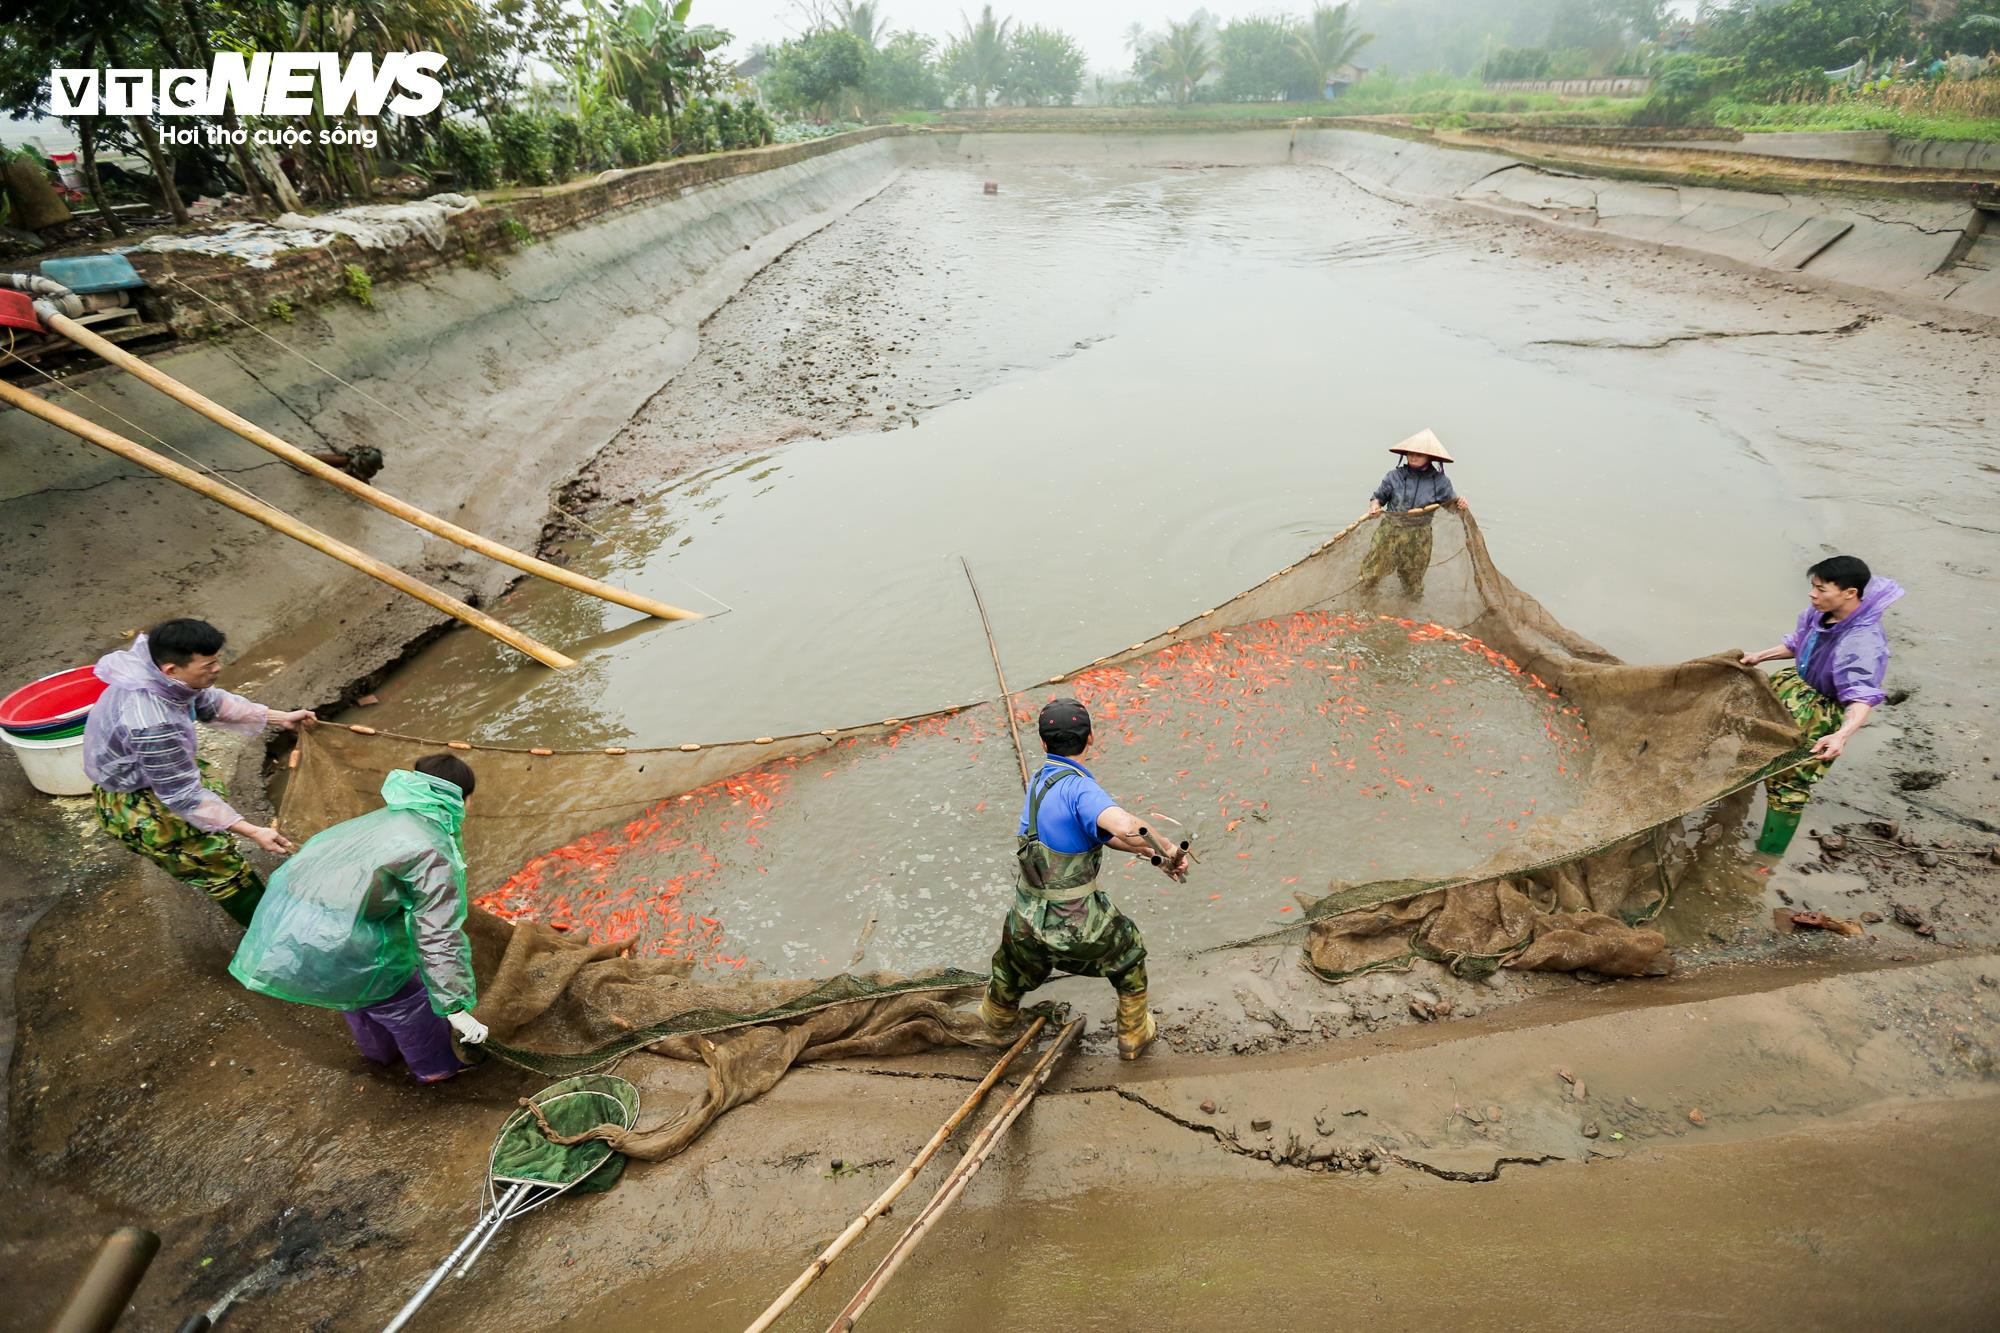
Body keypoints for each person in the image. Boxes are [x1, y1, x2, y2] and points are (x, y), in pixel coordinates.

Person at [230, 754, 488, 1082]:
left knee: (356, 995)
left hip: (287, 931)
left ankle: (381, 1055)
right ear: (462, 799)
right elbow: (438, 936)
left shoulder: (379, 820)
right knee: (409, 1002)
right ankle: (436, 1069)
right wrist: (454, 1007)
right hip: (343, 943)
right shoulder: (433, 849)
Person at [978, 699, 1188, 1061]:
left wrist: (1152, 857)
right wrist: (1168, 848)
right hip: (1076, 928)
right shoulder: (1081, 790)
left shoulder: (1039, 783)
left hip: (1026, 924)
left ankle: (994, 1024)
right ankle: (1133, 1035)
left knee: (1010, 967)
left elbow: (1102, 835)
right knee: (1129, 952)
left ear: (1043, 743)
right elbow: (1124, 826)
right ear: (1091, 737)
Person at [84, 619, 316, 927]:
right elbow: (183, 795)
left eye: (217, 660)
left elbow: (209, 701)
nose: (217, 669)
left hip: (160, 775)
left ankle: (273, 917)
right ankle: (274, 931)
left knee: (217, 841)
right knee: (220, 867)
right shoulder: (154, 725)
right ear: (171, 669)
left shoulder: (164, 677)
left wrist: (280, 718)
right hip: (143, 801)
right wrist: (254, 831)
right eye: (208, 665)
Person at [1740, 555, 1904, 854]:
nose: (1812, 594)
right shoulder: (1819, 614)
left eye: (1821, 589)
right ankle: (1739, 796)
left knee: (1790, 781)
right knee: (1756, 746)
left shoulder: (1862, 641)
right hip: (1793, 688)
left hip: (1820, 713)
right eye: (1813, 586)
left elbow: (1860, 696)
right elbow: (1798, 643)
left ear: (1849, 593)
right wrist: (1759, 656)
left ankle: (1768, 856)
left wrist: (1841, 735)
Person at [1359, 428, 1469, 598]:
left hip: (1419, 535)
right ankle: (1366, 601)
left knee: (1412, 581)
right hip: (1390, 530)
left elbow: (1451, 506)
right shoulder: (1394, 476)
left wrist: (1460, 502)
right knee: (1372, 573)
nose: (1413, 457)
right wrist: (1374, 506)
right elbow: (1378, 498)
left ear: (1429, 457)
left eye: (1419, 454)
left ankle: (1410, 607)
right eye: (1410, 453)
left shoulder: (1440, 481)